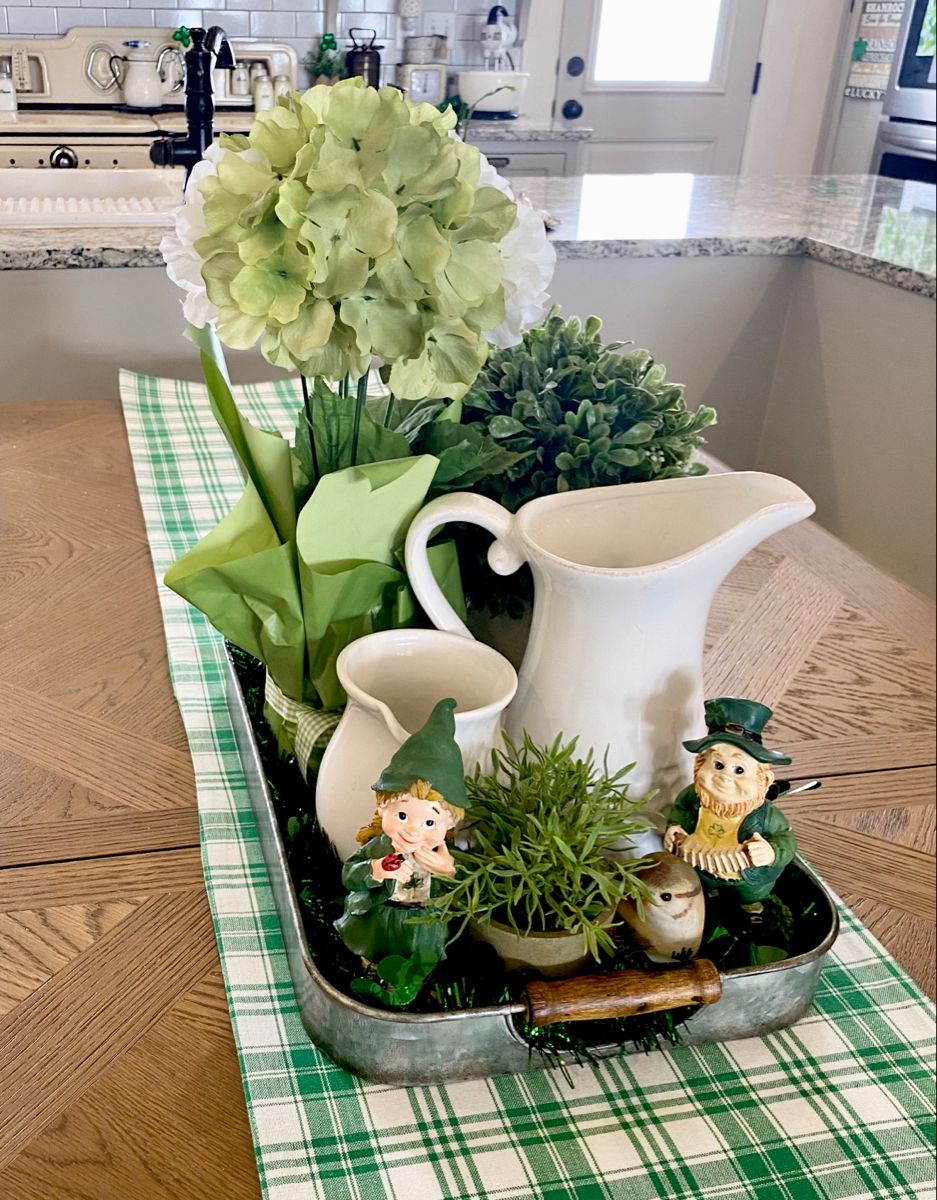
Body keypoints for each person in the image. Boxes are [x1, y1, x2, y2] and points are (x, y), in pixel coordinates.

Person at [335, 698, 467, 967]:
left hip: (424, 922)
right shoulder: (382, 846)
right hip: (383, 916)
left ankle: (416, 983)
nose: (412, 830)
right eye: (403, 815)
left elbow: (463, 891)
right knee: (377, 952)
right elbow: (350, 875)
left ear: (449, 823)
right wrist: (377, 869)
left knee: (420, 958)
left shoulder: (442, 855)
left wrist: (449, 871)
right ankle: (372, 971)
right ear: (383, 807)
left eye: (429, 823)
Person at [664, 697, 796, 906]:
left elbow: (786, 837)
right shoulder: (693, 796)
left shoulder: (767, 816)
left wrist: (771, 852)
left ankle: (752, 908)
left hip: (746, 877)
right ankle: (706, 901)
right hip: (699, 864)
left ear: (763, 779)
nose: (725, 777)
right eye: (717, 765)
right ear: (700, 764)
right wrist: (675, 827)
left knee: (751, 895)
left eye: (739, 770)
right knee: (700, 889)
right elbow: (680, 809)